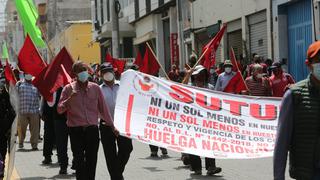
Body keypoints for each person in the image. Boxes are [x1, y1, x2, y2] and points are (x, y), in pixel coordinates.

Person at [57, 61, 118, 180]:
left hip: (92, 130)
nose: (83, 73)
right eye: (80, 71)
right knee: (79, 161)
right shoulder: (68, 89)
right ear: (75, 73)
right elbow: (59, 109)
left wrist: (112, 126)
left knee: (91, 161)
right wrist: (69, 99)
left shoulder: (95, 88)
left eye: (84, 70)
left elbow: (103, 109)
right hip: (75, 131)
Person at [273, 41, 320, 180]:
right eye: (319, 60)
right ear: (309, 64)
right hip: (307, 173)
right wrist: (278, 177)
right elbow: (282, 143)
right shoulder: (294, 95)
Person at [99, 63, 133, 180]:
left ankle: (116, 174)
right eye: (104, 72)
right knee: (110, 154)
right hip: (106, 124)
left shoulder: (123, 86)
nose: (108, 74)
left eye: (109, 71)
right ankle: (117, 177)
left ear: (114, 72)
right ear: (101, 74)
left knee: (127, 148)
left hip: (123, 124)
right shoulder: (98, 89)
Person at [188, 65, 222, 175]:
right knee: (193, 144)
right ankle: (196, 167)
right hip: (193, 120)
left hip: (207, 121)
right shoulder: (189, 88)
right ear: (193, 77)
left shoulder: (210, 88)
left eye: (202, 75)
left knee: (209, 143)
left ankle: (211, 167)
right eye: (197, 75)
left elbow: (216, 103)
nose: (200, 77)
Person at [16, 73, 40, 150]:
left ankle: (34, 145)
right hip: (23, 111)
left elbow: (40, 96)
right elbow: (14, 93)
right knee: (22, 128)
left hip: (34, 111)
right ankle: (21, 142)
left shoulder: (35, 85)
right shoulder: (19, 84)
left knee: (34, 129)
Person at [0, 74, 15, 179]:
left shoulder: (6, 97)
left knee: (3, 152)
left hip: (3, 132)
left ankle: (1, 172)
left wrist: (10, 128)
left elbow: (12, 113)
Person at [41, 97, 56, 165]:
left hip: (59, 116)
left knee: (59, 138)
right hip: (48, 115)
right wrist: (42, 113)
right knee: (47, 137)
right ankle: (47, 157)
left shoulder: (62, 88)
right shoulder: (47, 89)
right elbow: (43, 101)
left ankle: (61, 159)